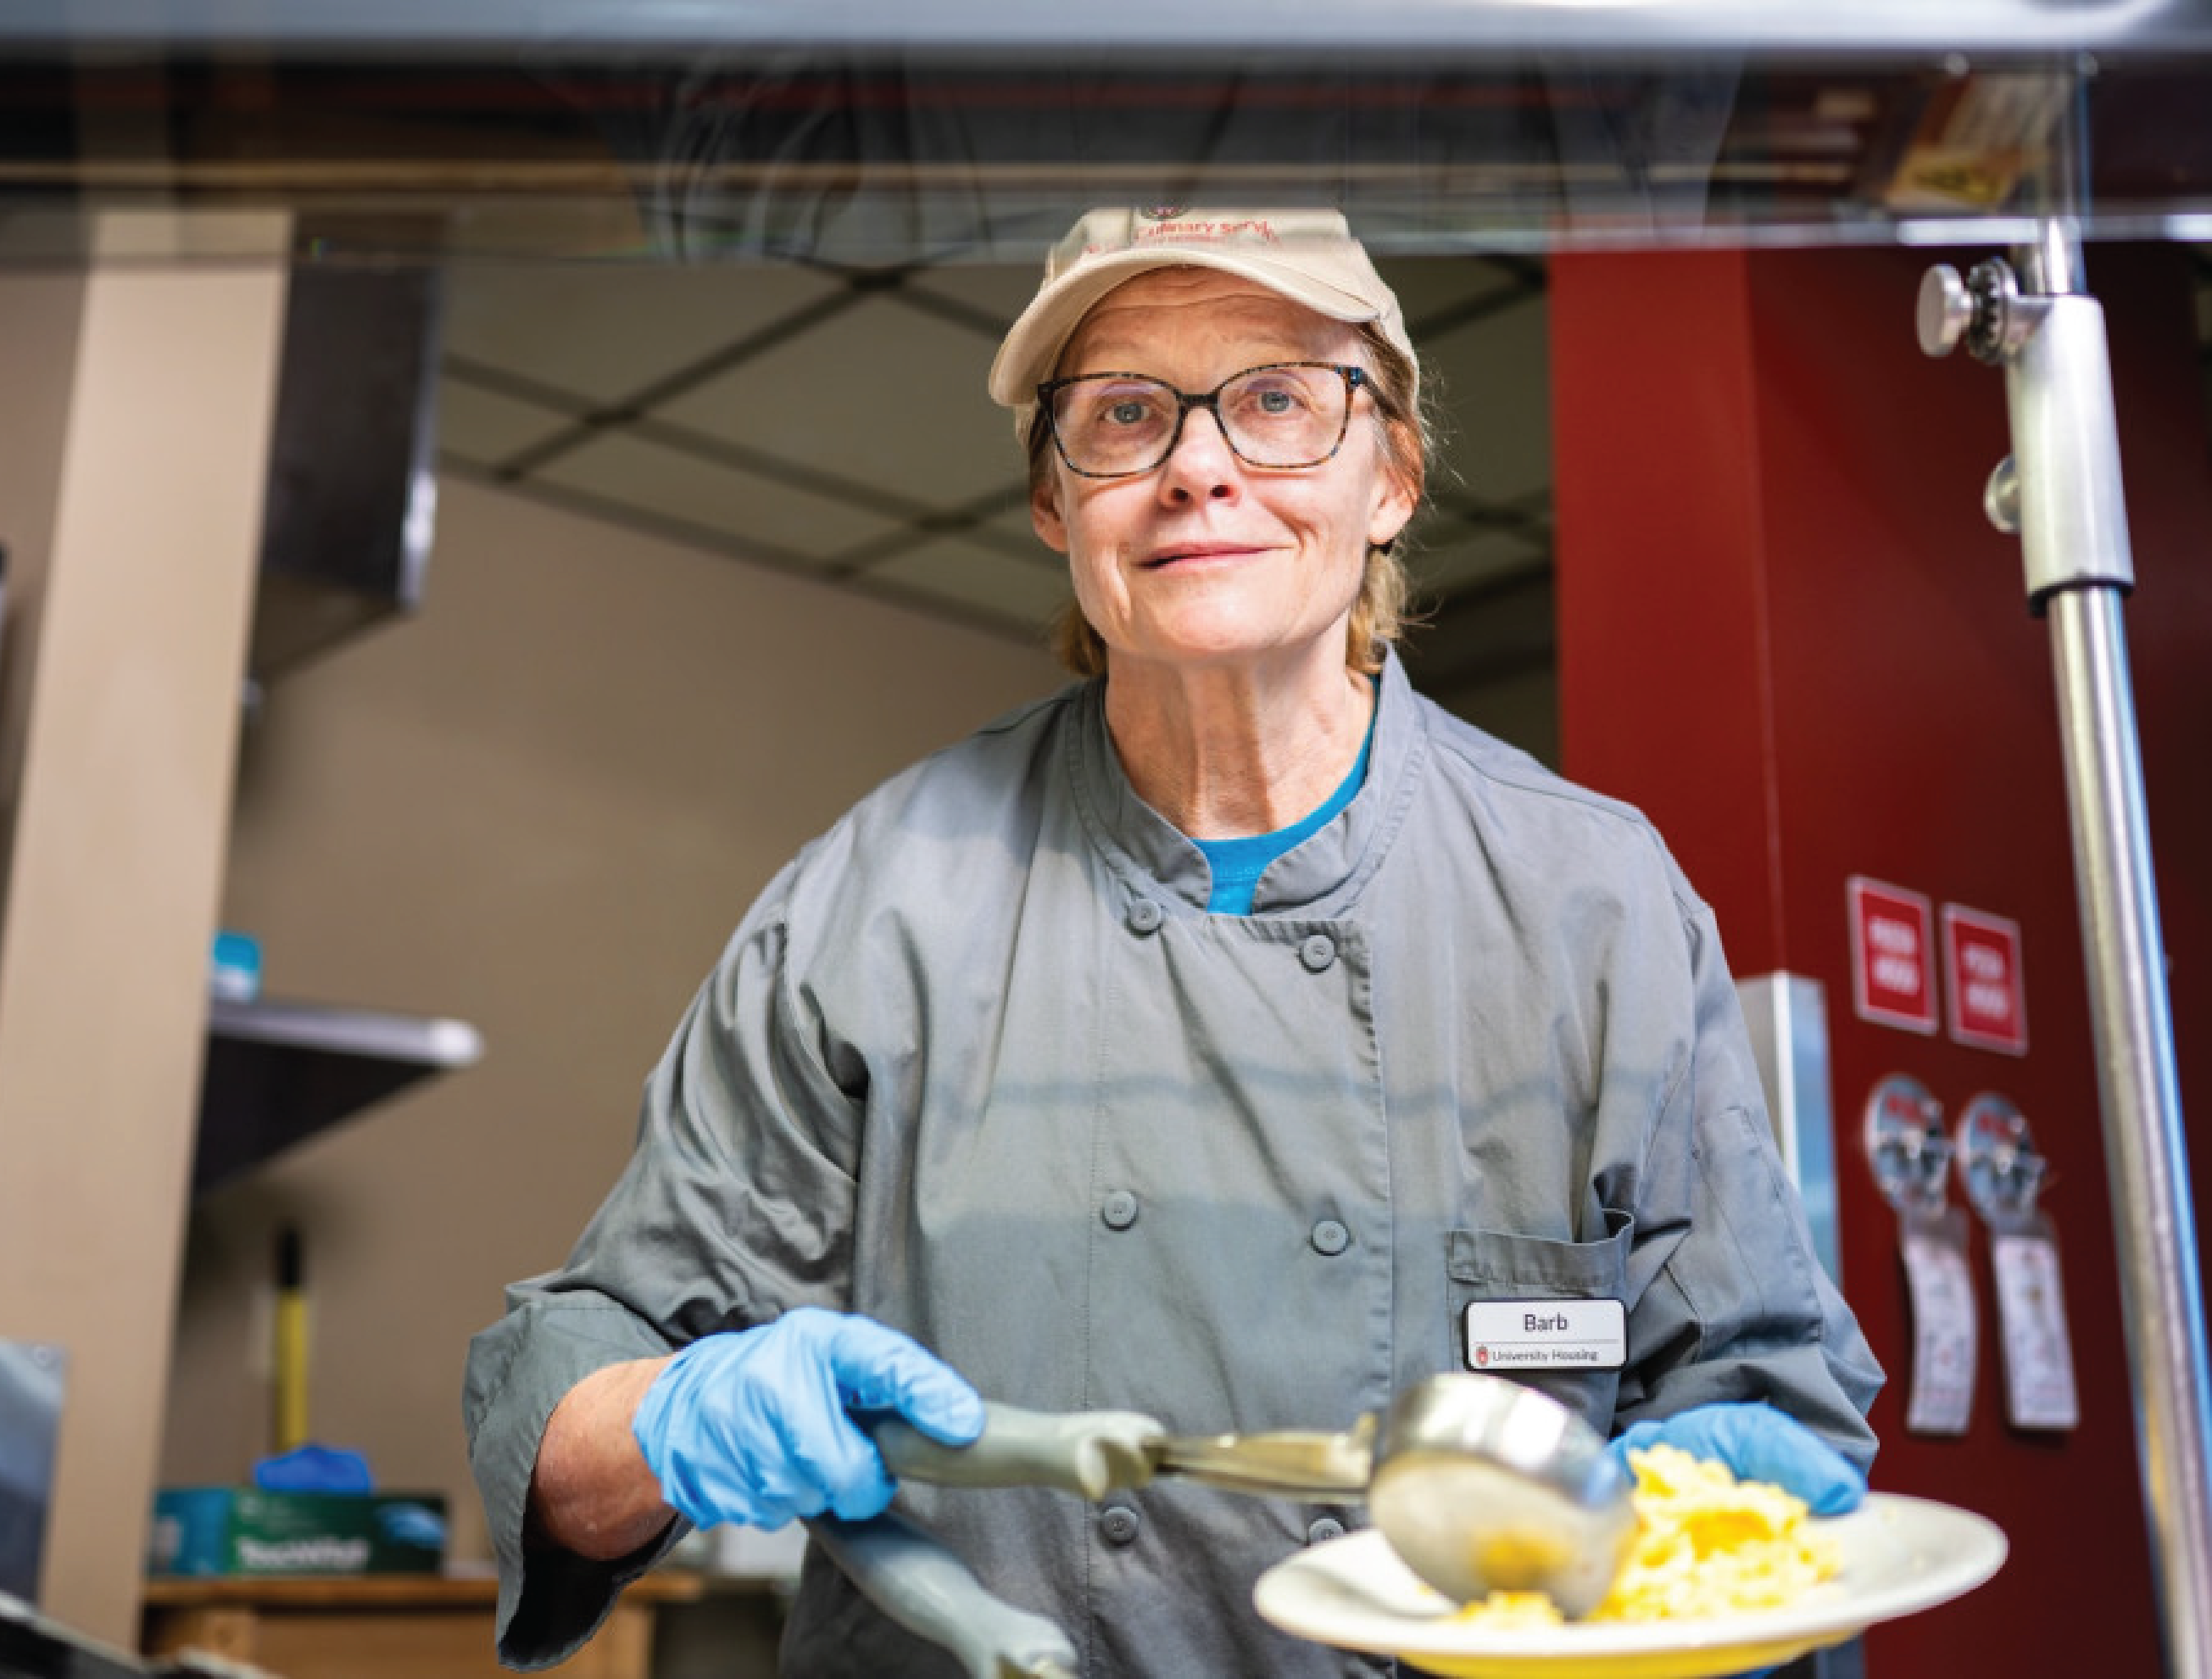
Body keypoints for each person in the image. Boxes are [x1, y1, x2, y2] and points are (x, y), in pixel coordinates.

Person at [462, 206, 1882, 1676]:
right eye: (1126, 415)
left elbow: (1771, 1393)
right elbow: (559, 1405)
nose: (1198, 465)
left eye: (1276, 400)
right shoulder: (876, 901)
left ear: (1390, 476)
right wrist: (679, 1421)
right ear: (1054, 504)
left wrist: (1695, 1511)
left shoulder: (1594, 901)